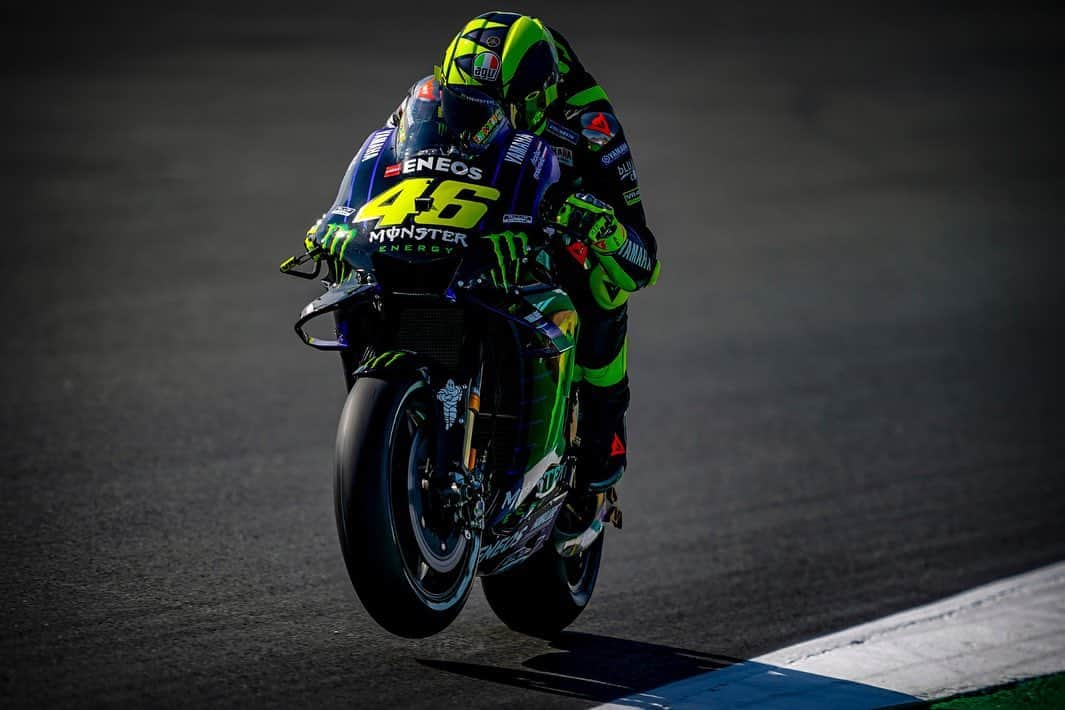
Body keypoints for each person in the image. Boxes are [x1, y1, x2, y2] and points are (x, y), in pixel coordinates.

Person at [380, 11, 660, 506]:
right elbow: (386, 160)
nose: (470, 120)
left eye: (488, 111)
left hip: (542, 240)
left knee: (603, 281)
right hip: (463, 228)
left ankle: (601, 430)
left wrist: (603, 227)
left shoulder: (591, 126)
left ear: (534, 99)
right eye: (462, 106)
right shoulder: (434, 98)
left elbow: (644, 262)